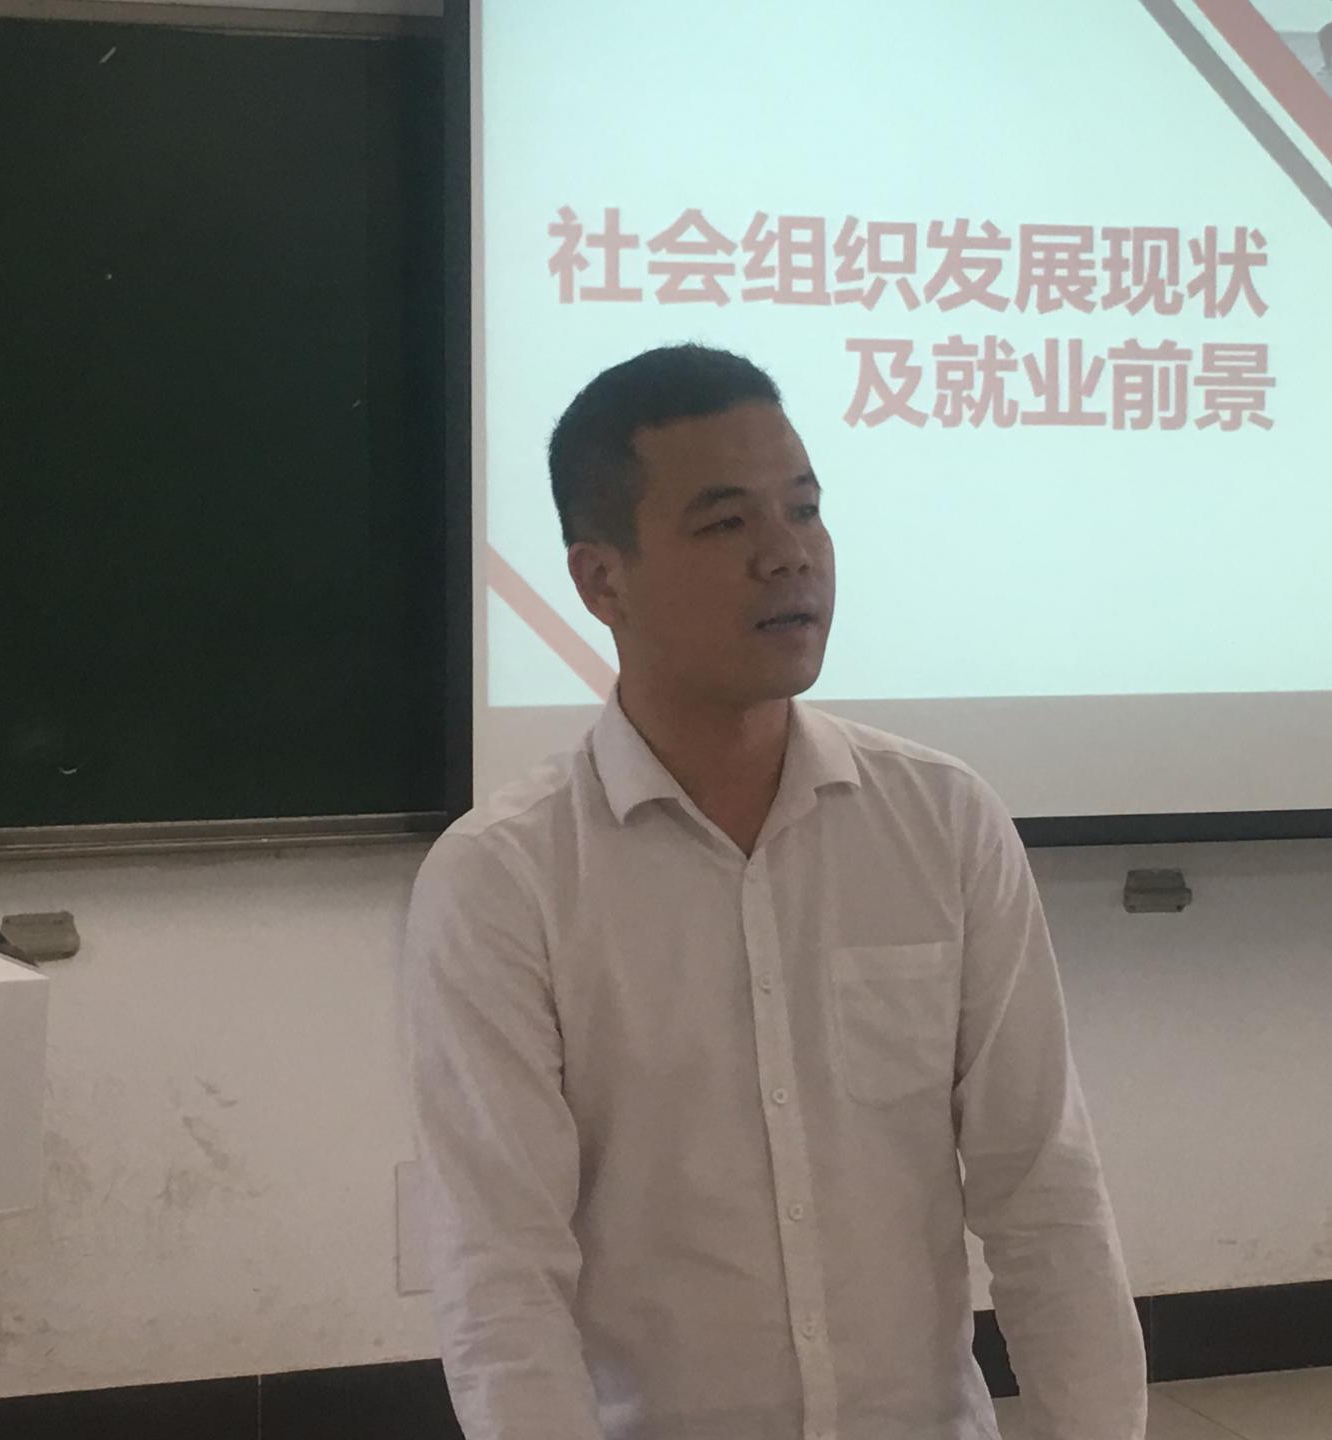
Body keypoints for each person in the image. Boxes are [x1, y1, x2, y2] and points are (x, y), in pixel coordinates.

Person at [404, 344, 1147, 1440]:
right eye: (726, 522)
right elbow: (501, 1274)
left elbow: (1044, 1191)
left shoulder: (940, 821)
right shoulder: (505, 880)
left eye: (804, 509)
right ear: (602, 580)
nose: (789, 554)